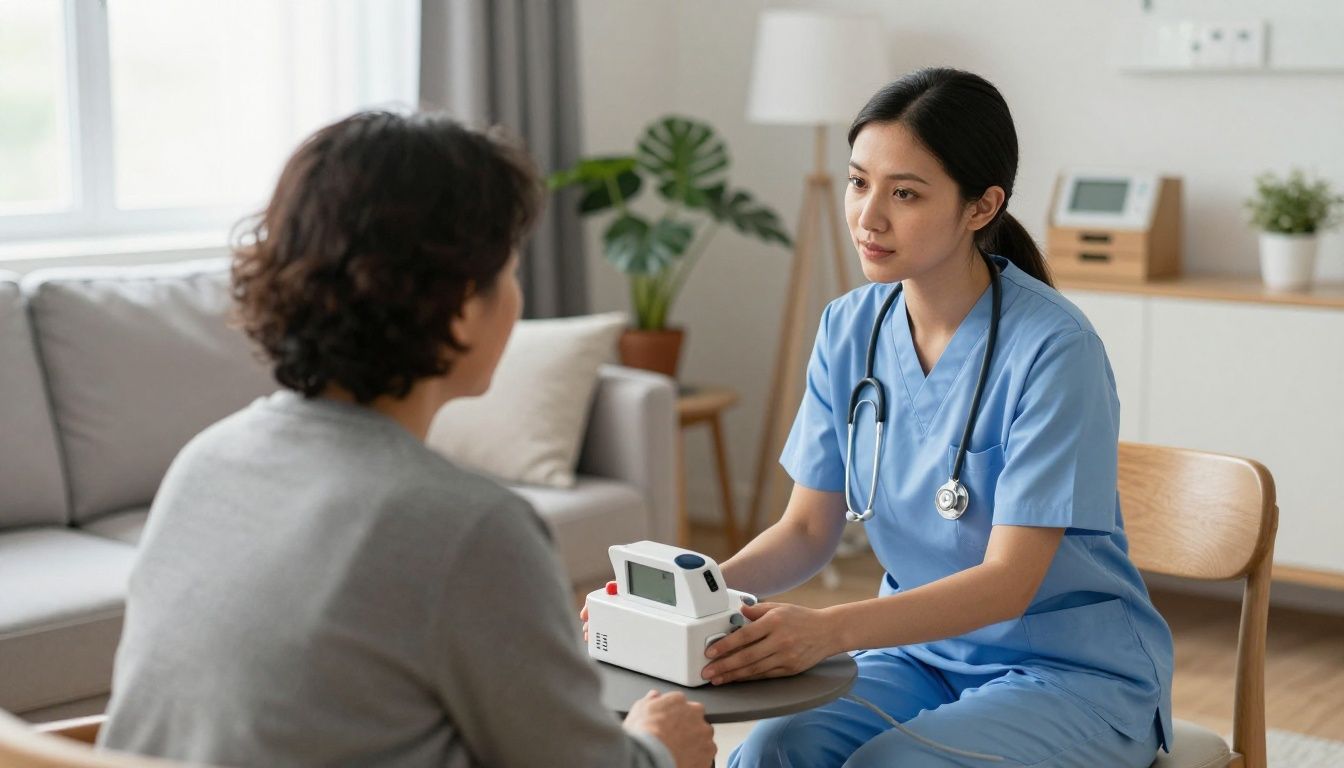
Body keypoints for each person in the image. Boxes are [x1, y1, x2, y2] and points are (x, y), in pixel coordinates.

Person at [98, 111, 715, 768]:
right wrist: (659, 748)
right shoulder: (468, 526)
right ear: (458, 303)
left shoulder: (206, 460)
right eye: (507, 270)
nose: (516, 295)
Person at [711, 69, 1175, 766]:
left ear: (981, 206)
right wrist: (697, 598)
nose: (869, 216)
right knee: (773, 749)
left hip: (1071, 673)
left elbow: (1009, 581)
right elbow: (809, 528)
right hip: (919, 653)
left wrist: (830, 629)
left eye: (905, 193)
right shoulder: (849, 328)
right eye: (859, 181)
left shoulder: (1054, 349)